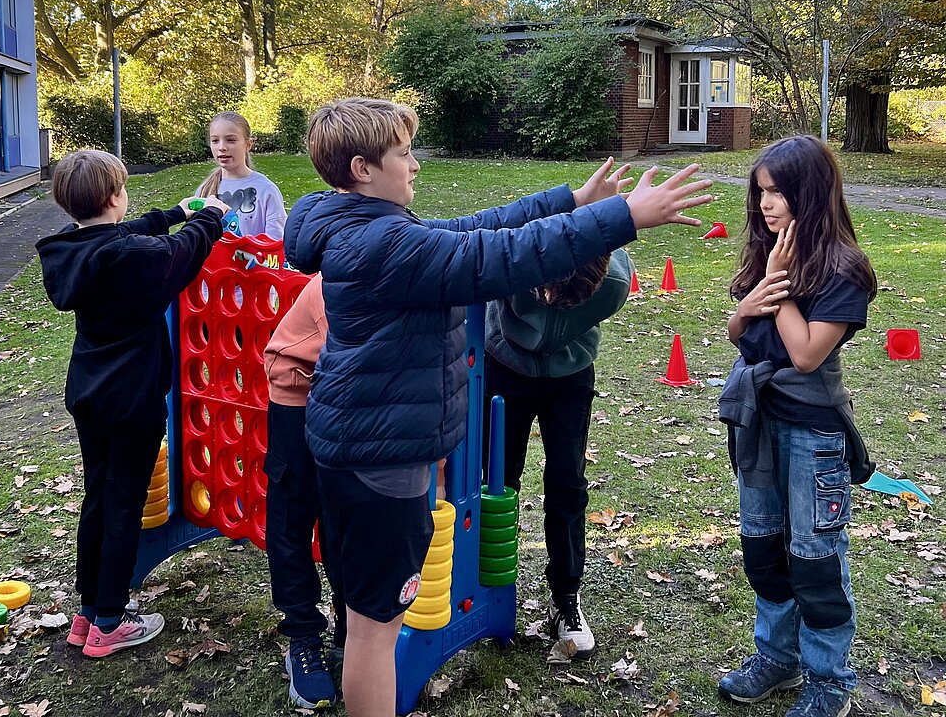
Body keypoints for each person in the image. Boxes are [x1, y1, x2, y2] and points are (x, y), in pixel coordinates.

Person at [283, 97, 712, 717]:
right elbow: (497, 258)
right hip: (381, 462)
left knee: (362, 614)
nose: (416, 165)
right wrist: (624, 216)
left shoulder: (360, 229)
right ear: (362, 168)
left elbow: (472, 230)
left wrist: (567, 201)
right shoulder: (382, 244)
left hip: (355, 445)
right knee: (376, 628)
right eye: (404, 153)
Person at [35, 149, 230, 658]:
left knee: (98, 495)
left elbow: (127, 233)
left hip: (89, 392)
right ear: (114, 197)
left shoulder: (71, 251)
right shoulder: (137, 258)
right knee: (123, 502)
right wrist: (210, 217)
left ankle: (86, 612)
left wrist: (174, 212)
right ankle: (109, 622)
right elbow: (183, 252)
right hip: (132, 398)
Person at [717, 135, 877, 717]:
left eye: (779, 191)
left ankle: (829, 680)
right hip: (758, 424)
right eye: (761, 191)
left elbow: (807, 354)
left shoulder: (843, 270)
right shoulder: (768, 253)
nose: (766, 204)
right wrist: (749, 302)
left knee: (814, 557)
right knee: (763, 548)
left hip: (813, 433)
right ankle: (777, 659)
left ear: (811, 192)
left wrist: (777, 291)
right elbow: (740, 334)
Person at [482, 245, 634, 660]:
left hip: (570, 376)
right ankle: (486, 591)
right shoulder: (514, 254)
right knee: (496, 481)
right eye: (542, 292)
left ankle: (566, 597)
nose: (548, 303)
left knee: (567, 482)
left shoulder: (613, 283)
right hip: (504, 365)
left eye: (560, 301)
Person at [263, 273, 345, 709]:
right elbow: (351, 357)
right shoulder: (339, 281)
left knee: (346, 515)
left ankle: (351, 628)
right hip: (299, 395)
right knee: (294, 516)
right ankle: (303, 635)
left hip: (349, 399)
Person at [197, 111, 286, 239]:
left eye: (231, 140)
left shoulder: (266, 190)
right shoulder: (204, 191)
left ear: (248, 145)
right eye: (215, 140)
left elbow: (276, 242)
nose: (222, 147)